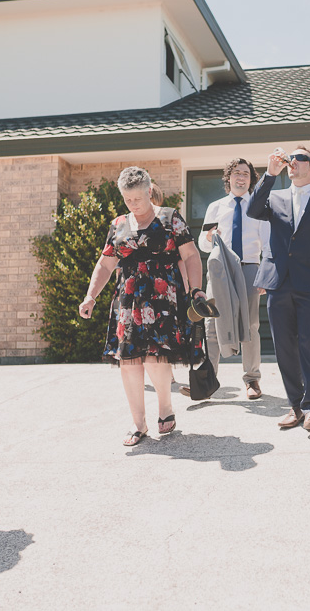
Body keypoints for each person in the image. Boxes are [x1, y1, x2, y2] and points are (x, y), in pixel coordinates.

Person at [79, 167, 205, 446]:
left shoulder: (171, 218)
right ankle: (139, 424)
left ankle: (165, 408)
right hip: (128, 301)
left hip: (162, 299)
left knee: (155, 357)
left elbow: (192, 256)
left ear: (149, 191)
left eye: (137, 198)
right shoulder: (119, 223)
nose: (133, 204)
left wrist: (196, 290)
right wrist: (91, 296)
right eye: (127, 199)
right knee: (129, 361)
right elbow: (106, 263)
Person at [248, 145, 310, 432]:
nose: (292, 162)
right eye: (290, 158)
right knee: (284, 348)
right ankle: (295, 405)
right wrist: (269, 174)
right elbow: (253, 209)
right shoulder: (276, 196)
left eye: (299, 158)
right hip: (278, 282)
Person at [197, 158, 270, 399]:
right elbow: (203, 245)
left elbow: (268, 245)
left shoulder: (259, 207)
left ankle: (252, 380)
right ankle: (208, 382)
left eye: (246, 174)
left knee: (250, 324)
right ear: (228, 178)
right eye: (236, 173)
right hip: (220, 272)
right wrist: (208, 237)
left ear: (251, 179)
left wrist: (266, 276)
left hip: (249, 268)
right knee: (211, 325)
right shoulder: (215, 207)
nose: (241, 177)